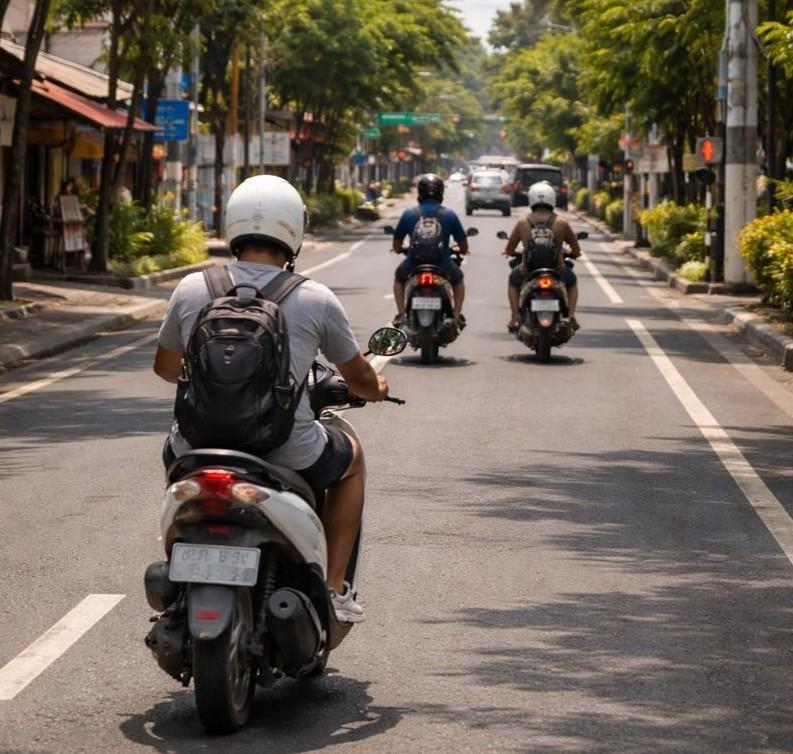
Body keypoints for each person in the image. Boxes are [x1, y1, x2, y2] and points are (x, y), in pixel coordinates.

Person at [152, 174, 389, 624]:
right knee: (353, 460)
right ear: (294, 230)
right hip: (286, 449)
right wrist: (376, 388)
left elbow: (165, 369)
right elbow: (359, 379)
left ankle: (181, 563)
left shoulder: (192, 287)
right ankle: (334, 589)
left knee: (173, 457)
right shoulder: (315, 298)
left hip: (196, 446)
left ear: (233, 225)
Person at [503, 181, 582, 332]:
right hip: (557, 269)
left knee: (513, 281)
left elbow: (509, 249)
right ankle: (571, 316)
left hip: (528, 269)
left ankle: (515, 317)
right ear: (552, 199)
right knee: (571, 282)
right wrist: (571, 254)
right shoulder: (562, 222)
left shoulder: (522, 222)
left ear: (531, 199)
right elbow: (576, 250)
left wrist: (512, 253)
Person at [391, 173, 468, 327]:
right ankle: (456, 314)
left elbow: (396, 246)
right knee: (458, 280)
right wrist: (460, 250)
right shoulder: (449, 215)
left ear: (420, 192)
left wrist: (400, 250)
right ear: (441, 192)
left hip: (414, 263)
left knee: (399, 278)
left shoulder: (409, 214)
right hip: (443, 264)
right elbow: (464, 247)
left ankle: (401, 314)